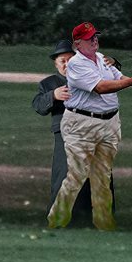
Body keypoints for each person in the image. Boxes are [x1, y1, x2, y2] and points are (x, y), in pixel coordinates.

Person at [45, 22, 132, 231]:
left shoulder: (101, 59)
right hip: (81, 124)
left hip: (109, 123)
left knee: (102, 176)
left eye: (95, 36)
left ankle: (104, 223)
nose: (94, 40)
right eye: (89, 38)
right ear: (77, 44)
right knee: (77, 175)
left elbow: (119, 78)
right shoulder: (76, 65)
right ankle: (57, 220)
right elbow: (101, 87)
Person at [30, 37, 101, 226]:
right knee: (64, 175)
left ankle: (90, 219)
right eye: (62, 61)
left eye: (71, 60)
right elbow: (38, 105)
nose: (67, 64)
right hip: (65, 135)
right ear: (56, 64)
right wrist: (53, 96)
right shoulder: (49, 83)